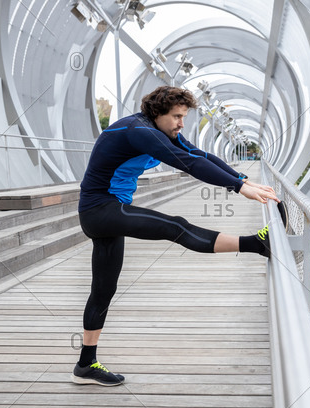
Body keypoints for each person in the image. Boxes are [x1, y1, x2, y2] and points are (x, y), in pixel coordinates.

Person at [71, 86, 284, 386]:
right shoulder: (138, 131)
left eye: (183, 117)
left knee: (104, 290)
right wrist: (241, 189)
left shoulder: (158, 130)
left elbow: (200, 153)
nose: (181, 124)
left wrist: (241, 178)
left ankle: (85, 364)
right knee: (176, 226)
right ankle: (256, 244)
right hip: (100, 211)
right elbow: (190, 164)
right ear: (157, 113)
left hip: (107, 211)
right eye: (176, 117)